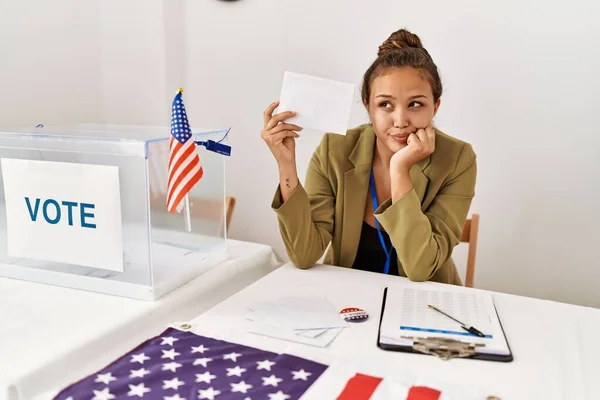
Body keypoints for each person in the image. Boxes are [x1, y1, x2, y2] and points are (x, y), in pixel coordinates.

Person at [260, 28, 477, 285]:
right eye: (385, 104)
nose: (400, 121)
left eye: (415, 104)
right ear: (368, 106)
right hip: (348, 303)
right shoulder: (335, 149)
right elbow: (304, 254)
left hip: (424, 304)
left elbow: (420, 268)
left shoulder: (457, 159)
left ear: (435, 106)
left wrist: (399, 170)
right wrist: (286, 165)